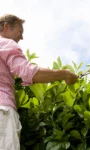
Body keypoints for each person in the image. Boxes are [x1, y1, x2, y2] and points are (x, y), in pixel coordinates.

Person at [0, 14, 78, 150]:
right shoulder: (6, 43)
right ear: (6, 27)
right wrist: (64, 74)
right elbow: (27, 72)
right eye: (19, 31)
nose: (21, 37)